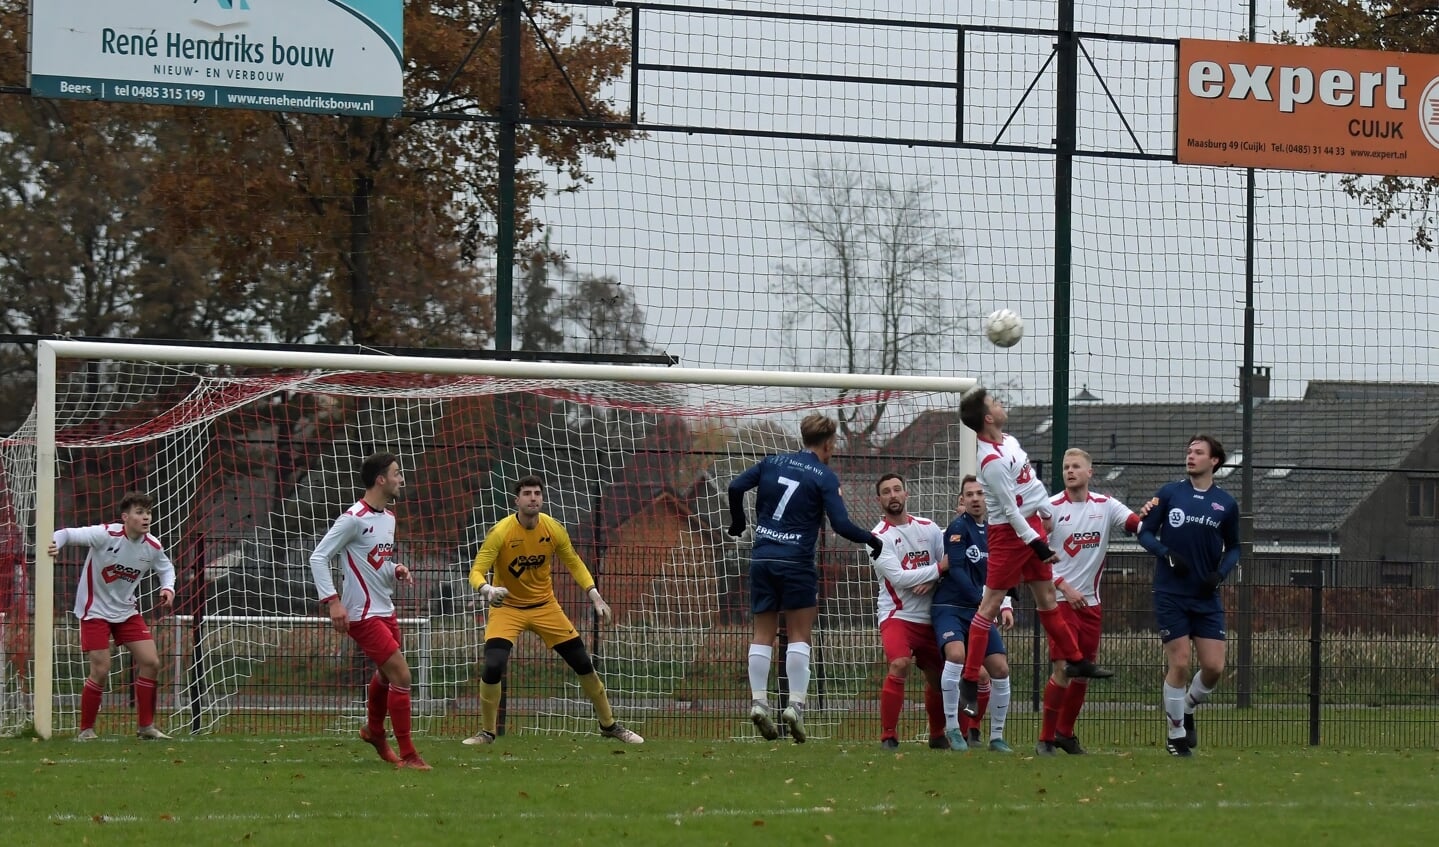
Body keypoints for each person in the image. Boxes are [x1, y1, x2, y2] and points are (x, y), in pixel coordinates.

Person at [955, 389, 1112, 719]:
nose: (1001, 405)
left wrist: (1045, 514)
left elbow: (1030, 488)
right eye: (995, 404)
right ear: (987, 418)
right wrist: (1037, 543)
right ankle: (969, 679)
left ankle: (1076, 659)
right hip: (1008, 537)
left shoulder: (1009, 441)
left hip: (1030, 527)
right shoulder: (991, 462)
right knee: (990, 605)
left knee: (1048, 601)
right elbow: (1010, 511)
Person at [728, 413, 883, 743]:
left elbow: (735, 486)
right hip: (797, 562)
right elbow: (841, 525)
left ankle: (758, 702)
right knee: (799, 633)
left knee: (762, 633)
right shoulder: (824, 476)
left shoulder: (771, 462)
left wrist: (739, 523)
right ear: (828, 443)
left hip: (763, 557)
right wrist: (870, 538)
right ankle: (795, 706)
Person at [463, 475, 642, 746]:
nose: (533, 497)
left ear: (542, 499)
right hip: (508, 609)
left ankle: (609, 725)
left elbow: (574, 561)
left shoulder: (553, 528)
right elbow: (476, 571)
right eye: (527, 493)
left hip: (546, 607)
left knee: (583, 664)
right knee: (493, 665)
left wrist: (594, 594)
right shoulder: (501, 532)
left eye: (537, 493)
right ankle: (486, 733)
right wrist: (488, 591)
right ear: (517, 500)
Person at [310, 452, 430, 770]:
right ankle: (409, 754)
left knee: (386, 675)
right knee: (402, 674)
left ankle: (375, 731)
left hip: (385, 608)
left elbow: (375, 561)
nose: (401, 478)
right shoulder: (353, 518)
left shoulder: (388, 518)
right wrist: (333, 601)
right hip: (361, 614)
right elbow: (318, 557)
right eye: (396, 473)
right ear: (381, 480)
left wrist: (395, 570)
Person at [1138, 435, 1240, 757]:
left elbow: (1235, 547)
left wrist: (1220, 574)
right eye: (1189, 451)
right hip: (1170, 593)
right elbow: (1143, 531)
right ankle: (1176, 734)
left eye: (1199, 452)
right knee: (1179, 663)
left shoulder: (1226, 504)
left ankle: (1188, 706)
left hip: (1205, 596)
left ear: (1214, 462)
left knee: (1214, 667)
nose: (1191, 456)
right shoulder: (1169, 493)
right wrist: (1166, 554)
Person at [1037, 449, 1142, 756]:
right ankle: (1045, 739)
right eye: (1066, 466)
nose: (1070, 471)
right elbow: (1036, 555)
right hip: (1059, 600)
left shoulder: (1105, 505)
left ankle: (1065, 734)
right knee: (1065, 667)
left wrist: (1153, 514)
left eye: (1076, 466)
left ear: (1089, 472)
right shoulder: (1051, 509)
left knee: (1083, 671)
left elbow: (1134, 523)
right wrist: (1063, 586)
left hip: (1091, 603)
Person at [48, 492, 175, 741]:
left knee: (151, 663)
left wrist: (168, 587)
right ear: (125, 517)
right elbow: (67, 534)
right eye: (140, 512)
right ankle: (86, 731)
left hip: (126, 612)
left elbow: (166, 568)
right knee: (102, 668)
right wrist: (55, 543)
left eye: (148, 512)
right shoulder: (105, 534)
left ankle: (146, 728)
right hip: (94, 611)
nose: (146, 517)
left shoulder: (153, 546)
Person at [935, 475, 1016, 753]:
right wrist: (986, 603)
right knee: (956, 656)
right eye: (969, 494)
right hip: (951, 608)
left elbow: (1000, 574)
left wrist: (1004, 606)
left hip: (981, 610)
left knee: (1000, 669)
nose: (975, 498)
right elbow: (956, 571)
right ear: (963, 500)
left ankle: (996, 737)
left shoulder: (995, 531)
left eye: (980, 493)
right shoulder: (957, 528)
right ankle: (953, 730)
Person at [870, 473, 949, 750]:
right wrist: (937, 571)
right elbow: (900, 579)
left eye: (897, 489)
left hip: (931, 616)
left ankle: (938, 734)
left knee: (940, 677)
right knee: (899, 664)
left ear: (906, 494)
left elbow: (949, 565)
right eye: (886, 492)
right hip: (898, 615)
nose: (893, 495)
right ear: (879, 500)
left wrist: (934, 577)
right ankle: (889, 736)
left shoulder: (929, 529)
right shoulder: (877, 538)